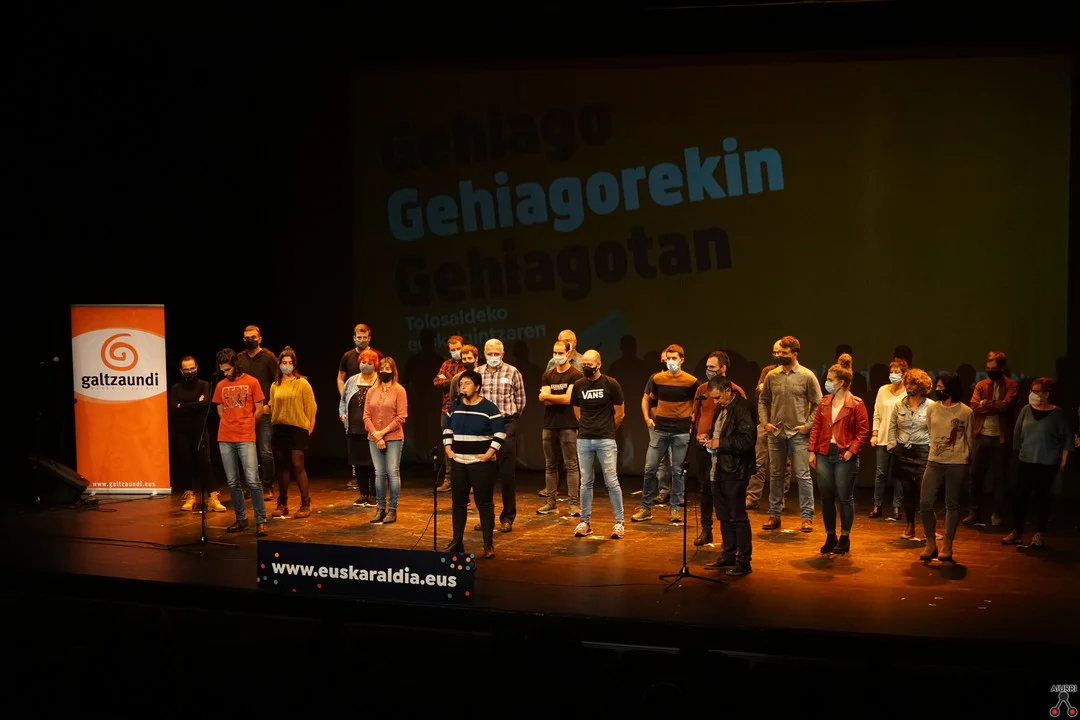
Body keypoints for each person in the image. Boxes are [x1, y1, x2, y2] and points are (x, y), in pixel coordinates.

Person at [758, 335, 822, 532]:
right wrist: (765, 423)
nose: (780, 356)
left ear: (794, 354)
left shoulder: (807, 376)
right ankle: (774, 515)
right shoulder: (772, 376)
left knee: (803, 476)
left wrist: (807, 426)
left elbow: (818, 404)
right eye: (779, 352)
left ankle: (807, 518)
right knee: (776, 475)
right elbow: (763, 401)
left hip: (798, 433)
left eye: (784, 353)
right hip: (776, 432)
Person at [808, 354, 870, 554]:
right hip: (824, 452)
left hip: (844, 455)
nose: (826, 382)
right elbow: (817, 427)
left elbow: (863, 432)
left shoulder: (856, 404)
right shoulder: (824, 402)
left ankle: (844, 537)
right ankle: (830, 536)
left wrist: (852, 451)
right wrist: (812, 450)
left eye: (830, 379)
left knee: (844, 497)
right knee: (826, 497)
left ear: (841, 382)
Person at [632, 343, 698, 524]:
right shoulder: (657, 378)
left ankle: (675, 508)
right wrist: (650, 417)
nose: (671, 361)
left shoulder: (691, 381)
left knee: (678, 471)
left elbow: (698, 403)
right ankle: (645, 508)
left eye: (674, 358)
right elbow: (650, 399)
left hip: (681, 431)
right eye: (668, 358)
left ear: (682, 360)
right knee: (650, 468)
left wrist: (692, 419)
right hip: (660, 429)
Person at [443, 369, 505, 559]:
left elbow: (500, 433)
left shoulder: (489, 408)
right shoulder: (455, 406)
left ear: (477, 387)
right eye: (461, 384)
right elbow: (447, 429)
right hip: (459, 462)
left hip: (480, 464)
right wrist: (448, 450)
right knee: (458, 504)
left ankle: (488, 543)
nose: (463, 387)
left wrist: (488, 455)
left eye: (467, 383)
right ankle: (457, 541)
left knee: (484, 504)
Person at [1002, 378, 1070, 548]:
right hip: (1025, 461)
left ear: (1046, 394)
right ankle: (1017, 531)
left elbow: (1067, 437)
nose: (1032, 394)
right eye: (1032, 391)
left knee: (1043, 499)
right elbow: (1017, 433)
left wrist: (1064, 459)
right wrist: (1016, 454)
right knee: (1020, 497)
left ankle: (1039, 533)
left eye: (1037, 391)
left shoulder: (1057, 413)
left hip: (1047, 463)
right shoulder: (1026, 410)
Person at [703, 376, 756, 575]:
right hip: (718, 468)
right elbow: (720, 433)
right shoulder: (721, 408)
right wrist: (709, 439)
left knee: (737, 516)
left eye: (718, 397)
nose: (715, 402)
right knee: (723, 516)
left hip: (735, 470)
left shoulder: (743, 408)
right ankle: (728, 555)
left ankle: (743, 561)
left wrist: (720, 443)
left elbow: (747, 441)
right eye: (713, 398)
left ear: (727, 391)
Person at [570, 350, 626, 539]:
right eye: (583, 364)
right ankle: (585, 522)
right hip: (584, 439)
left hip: (605, 440)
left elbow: (620, 414)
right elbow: (577, 411)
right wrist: (587, 426)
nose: (586, 367)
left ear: (599, 364)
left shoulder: (611, 384)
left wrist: (607, 430)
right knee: (585, 482)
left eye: (589, 364)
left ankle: (619, 523)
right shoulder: (579, 385)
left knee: (611, 481)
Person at [691, 351, 746, 545]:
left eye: (712, 367)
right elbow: (696, 414)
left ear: (723, 368)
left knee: (726, 491)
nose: (708, 370)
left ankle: (729, 536)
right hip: (703, 446)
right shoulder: (701, 390)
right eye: (707, 367)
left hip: (725, 450)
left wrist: (720, 441)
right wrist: (699, 433)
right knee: (705, 489)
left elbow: (740, 423)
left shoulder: (735, 391)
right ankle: (706, 530)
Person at [212, 348, 267, 537]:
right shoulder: (220, 385)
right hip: (225, 437)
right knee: (233, 481)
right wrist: (227, 422)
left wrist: (249, 424)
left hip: (245, 436)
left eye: (227, 369)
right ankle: (241, 519)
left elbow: (259, 408)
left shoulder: (252, 382)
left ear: (235, 365)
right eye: (222, 370)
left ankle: (260, 520)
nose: (225, 373)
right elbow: (220, 408)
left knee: (253, 480)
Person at [919, 373, 974, 562]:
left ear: (951, 389)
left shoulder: (966, 412)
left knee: (952, 503)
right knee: (925, 502)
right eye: (937, 387)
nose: (938, 390)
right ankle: (930, 542)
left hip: (957, 462)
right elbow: (930, 429)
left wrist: (968, 460)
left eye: (941, 387)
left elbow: (969, 438)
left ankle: (948, 544)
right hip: (934, 460)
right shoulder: (932, 408)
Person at [475, 339, 526, 533]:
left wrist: (510, 421)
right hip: (483, 427)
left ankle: (507, 517)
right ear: (484, 354)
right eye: (490, 353)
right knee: (483, 476)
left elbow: (521, 401)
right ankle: (485, 517)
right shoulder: (478, 373)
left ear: (503, 354)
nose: (493, 357)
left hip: (506, 424)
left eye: (497, 353)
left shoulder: (513, 372)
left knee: (507, 475)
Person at [963, 351, 1019, 526]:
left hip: (1000, 438)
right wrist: (991, 405)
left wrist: (986, 403)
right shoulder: (981, 385)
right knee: (975, 476)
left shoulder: (1011, 385)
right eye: (988, 368)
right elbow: (974, 407)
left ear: (1001, 368)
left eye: (994, 368)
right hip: (981, 435)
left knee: (999, 478)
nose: (990, 371)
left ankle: (997, 513)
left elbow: (1005, 407)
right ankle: (974, 512)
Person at [169, 355, 225, 513]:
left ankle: (212, 497)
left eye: (192, 368)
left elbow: (204, 405)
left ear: (197, 368)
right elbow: (173, 408)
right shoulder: (176, 388)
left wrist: (182, 405)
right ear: (181, 370)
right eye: (186, 369)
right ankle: (189, 496)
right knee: (186, 462)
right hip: (180, 431)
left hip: (200, 430)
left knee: (205, 462)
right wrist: (195, 404)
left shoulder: (204, 385)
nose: (189, 371)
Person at [268, 347, 317, 520]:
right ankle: (282, 503)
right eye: (284, 363)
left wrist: (309, 427)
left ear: (294, 364)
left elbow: (311, 407)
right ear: (279, 364)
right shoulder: (275, 385)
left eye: (290, 363)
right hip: (279, 429)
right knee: (281, 467)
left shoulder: (302, 383)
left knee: (298, 466)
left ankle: (305, 503)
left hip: (297, 428)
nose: (287, 365)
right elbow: (272, 406)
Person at [887, 368, 934, 541]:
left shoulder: (931, 406)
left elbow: (934, 429)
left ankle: (930, 528)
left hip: (922, 451)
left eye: (912, 384)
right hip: (903, 451)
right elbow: (892, 426)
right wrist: (892, 446)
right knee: (907, 491)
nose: (909, 387)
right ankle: (910, 526)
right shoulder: (900, 405)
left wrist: (932, 450)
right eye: (907, 383)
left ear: (921, 386)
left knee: (925, 492)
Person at [538, 339, 583, 516]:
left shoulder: (575, 375)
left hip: (569, 425)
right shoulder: (547, 375)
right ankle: (550, 502)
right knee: (550, 465)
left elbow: (568, 399)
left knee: (571, 465)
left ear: (569, 353)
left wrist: (549, 396)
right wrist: (551, 397)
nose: (557, 356)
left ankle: (573, 504)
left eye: (560, 353)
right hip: (549, 424)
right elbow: (544, 400)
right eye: (555, 353)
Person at [746, 341, 791, 509]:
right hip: (766, 422)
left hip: (785, 424)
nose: (777, 355)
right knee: (758, 461)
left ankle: (780, 498)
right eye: (775, 352)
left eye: (780, 352)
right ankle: (752, 496)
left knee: (783, 464)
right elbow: (760, 395)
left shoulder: (794, 374)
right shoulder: (768, 371)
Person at [235, 325, 278, 500]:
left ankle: (268, 486)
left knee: (265, 450)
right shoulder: (239, 358)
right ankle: (249, 485)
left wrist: (270, 405)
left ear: (260, 339)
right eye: (247, 338)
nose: (250, 340)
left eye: (253, 337)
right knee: (245, 451)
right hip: (244, 413)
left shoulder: (268, 357)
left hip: (264, 410)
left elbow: (277, 382)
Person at [364, 356, 408, 524]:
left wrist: (382, 433)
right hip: (374, 437)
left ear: (393, 371)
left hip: (393, 437)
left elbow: (401, 417)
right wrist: (376, 434)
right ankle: (380, 509)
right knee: (379, 473)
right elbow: (366, 416)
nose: (384, 371)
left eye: (387, 369)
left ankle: (393, 509)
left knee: (392, 472)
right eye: (382, 369)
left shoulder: (399, 390)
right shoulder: (371, 391)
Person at [869, 357, 909, 520]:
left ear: (904, 374)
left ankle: (897, 507)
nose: (893, 375)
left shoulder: (908, 392)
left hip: (900, 439)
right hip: (883, 438)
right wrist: (875, 434)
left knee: (898, 474)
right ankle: (877, 505)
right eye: (891, 372)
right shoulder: (883, 390)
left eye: (897, 372)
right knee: (880, 473)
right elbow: (877, 413)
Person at [340, 348, 380, 506]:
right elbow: (343, 400)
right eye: (363, 362)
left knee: (373, 464)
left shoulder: (378, 381)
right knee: (359, 463)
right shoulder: (351, 381)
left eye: (369, 363)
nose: (366, 365)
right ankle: (363, 494)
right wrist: (342, 414)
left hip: (373, 429)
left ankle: (375, 495)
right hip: (354, 428)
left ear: (375, 364)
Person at [432, 335, 466, 493]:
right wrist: (455, 380)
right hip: (447, 409)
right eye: (453, 350)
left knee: (464, 443)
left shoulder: (469, 362)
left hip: (464, 410)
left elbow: (468, 383)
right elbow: (436, 382)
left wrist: (448, 379)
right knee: (448, 444)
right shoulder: (446, 364)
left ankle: (466, 479)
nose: (456, 352)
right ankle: (448, 479)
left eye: (458, 348)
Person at [337, 323, 382, 396]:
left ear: (369, 338)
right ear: (354, 338)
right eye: (359, 337)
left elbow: (382, 377)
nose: (362, 340)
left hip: (373, 397)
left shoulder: (377, 355)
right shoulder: (347, 356)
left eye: (365, 337)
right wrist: (344, 396)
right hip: (352, 396)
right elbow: (340, 379)